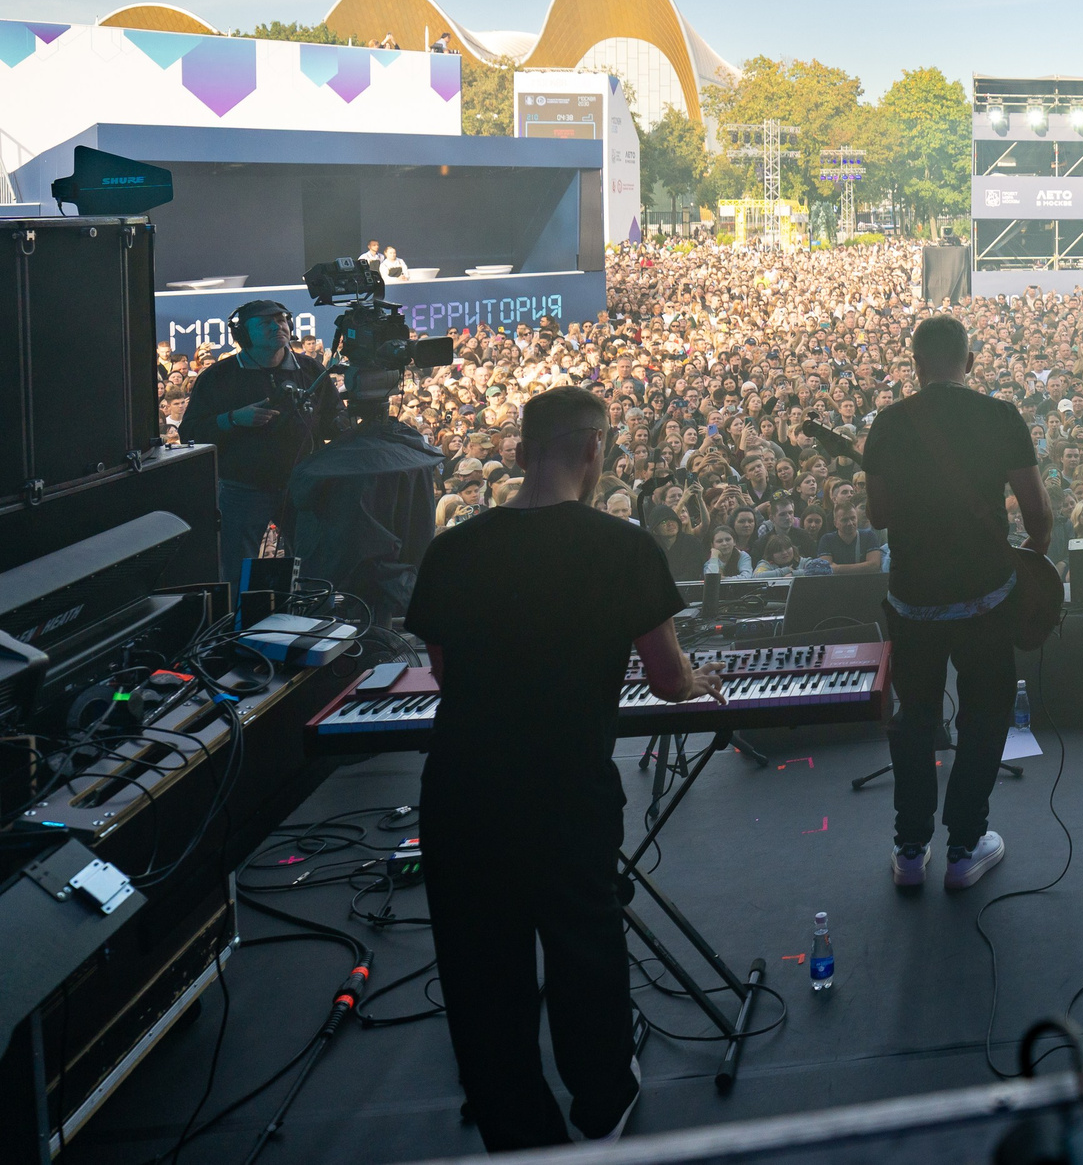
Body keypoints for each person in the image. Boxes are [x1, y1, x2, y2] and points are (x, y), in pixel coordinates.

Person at [405, 386, 724, 1150]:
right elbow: (666, 678)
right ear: (593, 450)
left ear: (521, 450)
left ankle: (518, 1129)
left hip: (462, 790)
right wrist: (701, 680)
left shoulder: (453, 549)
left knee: (483, 970)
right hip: (567, 789)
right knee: (585, 949)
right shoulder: (625, 548)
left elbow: (445, 671)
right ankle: (602, 1105)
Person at [862, 315, 1052, 892]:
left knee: (915, 719)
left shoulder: (889, 425)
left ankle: (911, 850)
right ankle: (966, 847)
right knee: (986, 716)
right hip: (985, 601)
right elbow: (1038, 514)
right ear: (970, 362)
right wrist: (1031, 563)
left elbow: (876, 517)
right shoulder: (1000, 416)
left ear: (915, 365)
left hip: (914, 602)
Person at [178, 300, 344, 575]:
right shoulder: (218, 376)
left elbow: (332, 420)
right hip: (242, 490)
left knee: (314, 564)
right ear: (243, 334)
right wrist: (232, 419)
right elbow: (190, 432)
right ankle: (239, 617)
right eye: (266, 323)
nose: (278, 326)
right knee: (235, 568)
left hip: (302, 486)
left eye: (281, 320)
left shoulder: (311, 370)